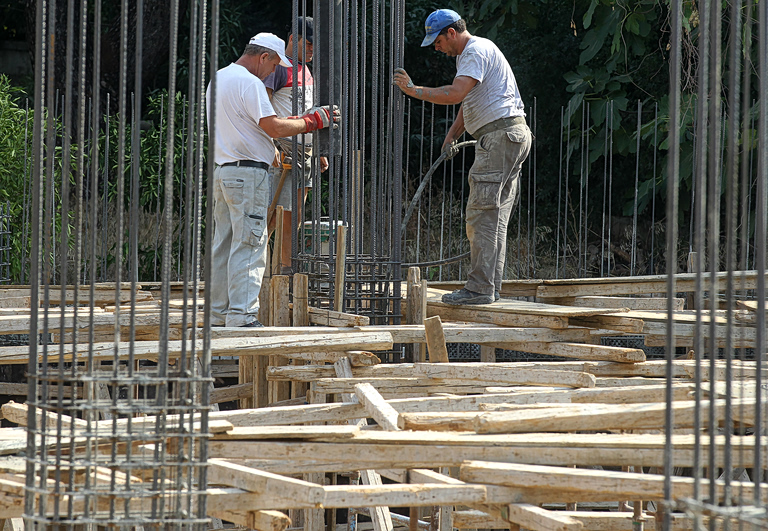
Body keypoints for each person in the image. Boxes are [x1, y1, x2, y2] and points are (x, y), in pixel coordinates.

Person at [393, 9, 532, 305]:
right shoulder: (472, 54)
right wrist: (453, 134)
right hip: (509, 135)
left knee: (481, 213)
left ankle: (480, 288)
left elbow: (456, 93)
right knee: (494, 217)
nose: (436, 47)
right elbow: (468, 99)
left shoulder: (474, 51)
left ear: (452, 33)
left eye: (438, 41)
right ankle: (489, 288)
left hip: (498, 138)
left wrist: (413, 90)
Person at [206, 32, 339, 327]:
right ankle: (242, 316)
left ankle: (217, 314)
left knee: (224, 244)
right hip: (249, 174)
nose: (273, 72)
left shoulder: (219, 78)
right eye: (274, 64)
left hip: (223, 172)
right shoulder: (251, 83)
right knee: (251, 244)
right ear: (264, 56)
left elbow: (257, 124)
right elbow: (273, 127)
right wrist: (314, 120)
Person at [264, 16, 328, 273]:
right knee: (275, 216)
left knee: (295, 216)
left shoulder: (306, 69)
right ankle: (268, 270)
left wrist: (318, 150)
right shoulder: (278, 67)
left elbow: (309, 113)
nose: (313, 50)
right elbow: (264, 107)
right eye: (309, 44)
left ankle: (283, 270)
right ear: (293, 39)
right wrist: (271, 144)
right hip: (284, 151)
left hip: (306, 153)